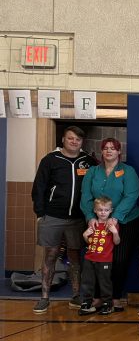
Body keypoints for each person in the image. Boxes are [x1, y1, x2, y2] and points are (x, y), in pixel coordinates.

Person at [32, 125, 96, 312]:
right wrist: (40, 213)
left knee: (75, 257)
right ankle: (44, 297)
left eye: (78, 139)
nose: (74, 142)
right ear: (63, 140)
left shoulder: (88, 161)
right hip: (52, 216)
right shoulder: (50, 160)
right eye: (70, 138)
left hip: (78, 218)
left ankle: (76, 296)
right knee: (50, 255)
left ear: (81, 142)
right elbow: (39, 188)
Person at [80, 137, 139, 311]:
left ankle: (114, 297)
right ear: (101, 151)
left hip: (125, 221)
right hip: (97, 222)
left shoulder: (128, 171)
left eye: (112, 148)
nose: (109, 151)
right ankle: (98, 297)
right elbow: (85, 196)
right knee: (96, 259)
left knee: (119, 260)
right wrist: (90, 217)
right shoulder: (92, 171)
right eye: (105, 148)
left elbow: (131, 195)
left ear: (119, 151)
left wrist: (116, 217)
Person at [79, 195, 119, 315]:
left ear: (111, 211)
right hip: (89, 258)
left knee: (104, 282)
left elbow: (117, 242)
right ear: (95, 210)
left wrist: (115, 232)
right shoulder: (92, 224)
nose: (103, 213)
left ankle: (107, 303)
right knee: (87, 281)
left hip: (105, 260)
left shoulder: (112, 225)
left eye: (106, 210)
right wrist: (85, 236)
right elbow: (90, 242)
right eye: (100, 210)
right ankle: (87, 302)